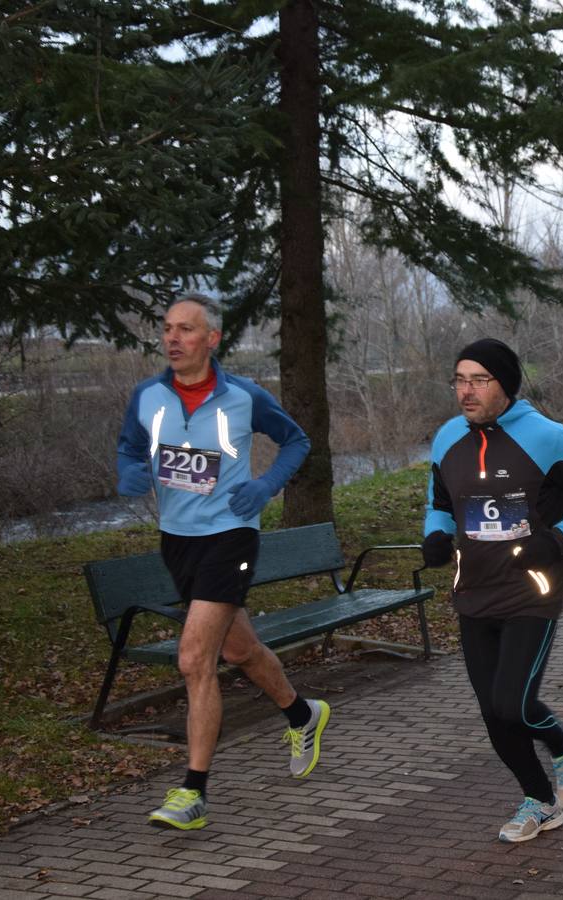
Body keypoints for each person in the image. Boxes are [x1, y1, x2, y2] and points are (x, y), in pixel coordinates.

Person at [116, 295, 322, 831]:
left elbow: (296, 442)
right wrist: (130, 472)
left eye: (186, 329)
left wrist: (264, 487)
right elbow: (129, 446)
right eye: (166, 329)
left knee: (193, 658)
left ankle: (194, 790)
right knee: (238, 648)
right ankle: (303, 713)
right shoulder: (148, 396)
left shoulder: (243, 397)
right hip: (177, 541)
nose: (172, 339)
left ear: (212, 339)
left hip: (230, 537)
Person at [420, 339, 563, 843]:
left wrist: (558, 540)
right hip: (474, 589)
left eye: (479, 380)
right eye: (460, 379)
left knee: (513, 703)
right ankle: (540, 800)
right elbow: (439, 501)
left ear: (505, 384)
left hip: (531, 589)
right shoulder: (446, 439)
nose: (467, 390)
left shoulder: (547, 437)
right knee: (493, 713)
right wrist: (435, 535)